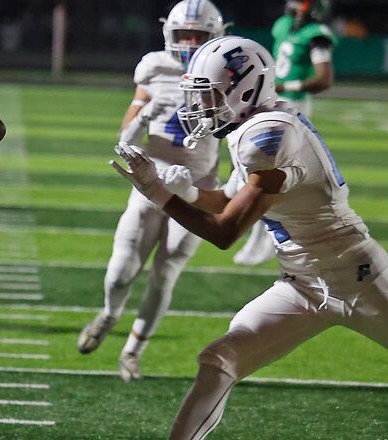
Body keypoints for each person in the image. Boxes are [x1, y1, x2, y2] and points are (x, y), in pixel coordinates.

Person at [111, 36, 387, 439]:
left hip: (356, 274)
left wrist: (160, 195)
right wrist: (185, 191)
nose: (199, 107)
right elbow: (225, 198)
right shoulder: (254, 127)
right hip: (303, 283)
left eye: (208, 96)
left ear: (246, 88)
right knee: (220, 358)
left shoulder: (270, 134)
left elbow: (225, 231)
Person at [76, 0, 225, 382]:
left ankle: (132, 351)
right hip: (148, 180)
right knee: (121, 271)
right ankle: (109, 314)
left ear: (215, 36)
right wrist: (140, 117)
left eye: (199, 35)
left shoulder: (225, 67)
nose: (191, 43)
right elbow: (130, 120)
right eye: (184, 35)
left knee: (165, 272)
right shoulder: (155, 66)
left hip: (196, 186)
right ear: (168, 34)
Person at [233, 0, 337, 266]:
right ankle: (260, 234)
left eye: (301, 3)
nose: (295, 7)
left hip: (294, 106)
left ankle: (269, 237)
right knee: (259, 168)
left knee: (271, 171)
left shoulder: (316, 36)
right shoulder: (283, 26)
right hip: (273, 101)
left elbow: (323, 79)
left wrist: (284, 85)